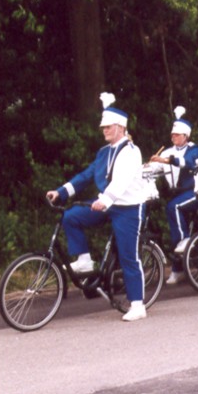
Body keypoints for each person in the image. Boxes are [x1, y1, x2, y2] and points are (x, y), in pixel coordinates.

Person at [45, 93, 149, 321]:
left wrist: (105, 199)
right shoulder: (103, 153)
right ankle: (84, 260)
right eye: (103, 128)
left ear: (121, 127)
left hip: (129, 207)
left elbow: (121, 181)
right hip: (107, 204)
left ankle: (138, 305)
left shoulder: (131, 151)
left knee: (128, 255)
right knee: (71, 217)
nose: (104, 131)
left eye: (108, 127)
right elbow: (86, 176)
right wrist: (61, 192)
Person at [149, 106, 198, 285]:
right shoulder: (166, 152)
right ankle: (178, 269)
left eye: (177, 135)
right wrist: (145, 167)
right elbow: (154, 169)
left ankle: (186, 241)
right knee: (173, 230)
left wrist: (166, 160)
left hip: (195, 192)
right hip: (178, 194)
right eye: (172, 135)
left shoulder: (194, 149)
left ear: (186, 136)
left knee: (173, 207)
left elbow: (188, 163)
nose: (173, 138)